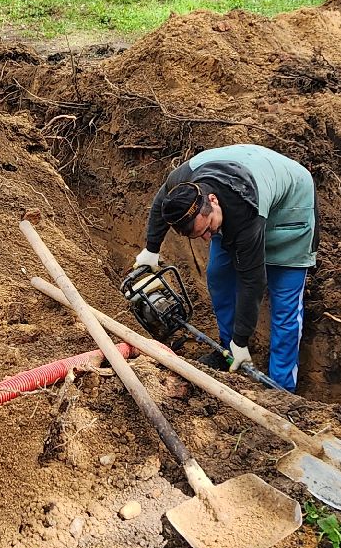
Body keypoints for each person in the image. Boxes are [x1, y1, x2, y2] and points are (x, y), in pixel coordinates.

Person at [136, 144, 318, 392]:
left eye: (207, 229)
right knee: (218, 275)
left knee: (285, 303)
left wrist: (242, 339)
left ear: (212, 200)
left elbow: (252, 281)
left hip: (290, 208)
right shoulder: (185, 181)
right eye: (199, 235)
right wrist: (152, 249)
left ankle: (282, 389)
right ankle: (227, 350)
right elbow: (162, 200)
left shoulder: (246, 211)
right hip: (245, 185)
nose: (207, 239)